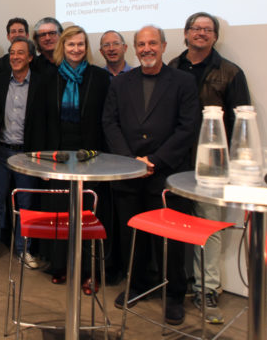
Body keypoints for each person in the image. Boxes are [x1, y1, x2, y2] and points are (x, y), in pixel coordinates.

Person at [102, 25, 199, 326]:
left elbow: (187, 127)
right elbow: (110, 122)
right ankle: (139, 283)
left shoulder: (183, 81)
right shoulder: (121, 83)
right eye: (141, 44)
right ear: (134, 48)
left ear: (164, 45)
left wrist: (154, 161)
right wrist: (133, 162)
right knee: (133, 234)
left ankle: (173, 295)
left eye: (152, 43)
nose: (147, 48)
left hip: (166, 173)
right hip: (130, 173)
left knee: (169, 238)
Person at [168, 12, 250, 324]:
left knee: (209, 226)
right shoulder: (172, 67)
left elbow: (240, 121)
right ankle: (178, 282)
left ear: (215, 36)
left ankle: (207, 287)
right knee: (175, 225)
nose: (201, 33)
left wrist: (232, 162)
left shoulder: (230, 72)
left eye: (208, 29)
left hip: (211, 164)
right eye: (196, 28)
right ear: (186, 33)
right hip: (176, 159)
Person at [43, 26, 110, 287]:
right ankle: (60, 265)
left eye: (81, 44)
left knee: (85, 214)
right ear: (63, 47)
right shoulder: (49, 77)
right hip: (57, 156)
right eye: (71, 45)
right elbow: (40, 119)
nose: (76, 49)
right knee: (60, 213)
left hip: (89, 156)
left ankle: (87, 270)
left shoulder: (99, 77)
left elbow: (105, 119)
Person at [0, 37, 46, 270]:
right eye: (12, 53)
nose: (15, 57)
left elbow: (45, 122)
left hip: (27, 155)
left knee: (26, 204)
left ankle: (24, 250)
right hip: (1, 151)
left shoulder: (41, 83)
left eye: (20, 53)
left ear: (30, 57)